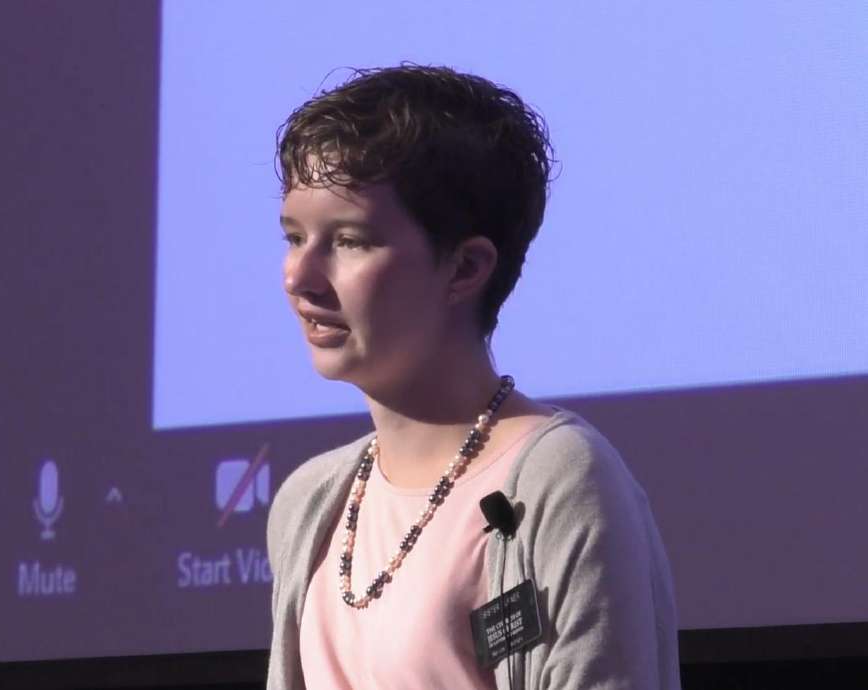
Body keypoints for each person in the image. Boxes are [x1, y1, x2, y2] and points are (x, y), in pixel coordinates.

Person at [265, 65, 680, 690]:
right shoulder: (309, 501)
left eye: (348, 241)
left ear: (465, 267)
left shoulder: (558, 478)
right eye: (295, 237)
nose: (300, 276)